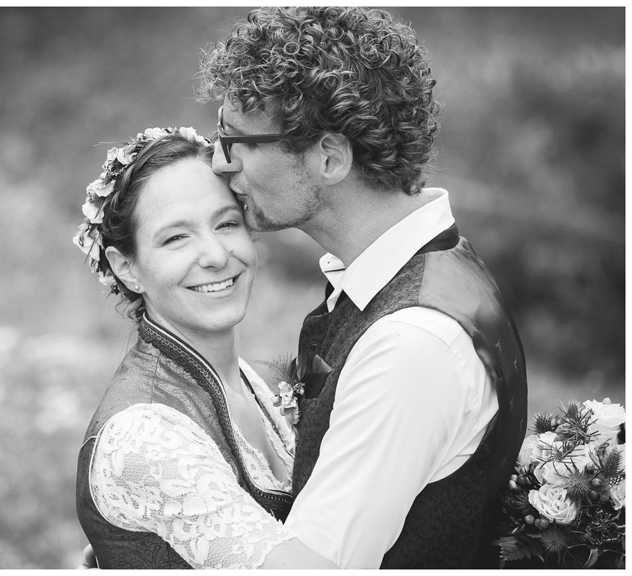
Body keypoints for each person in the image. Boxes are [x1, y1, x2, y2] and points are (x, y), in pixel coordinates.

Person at [191, 6, 529, 568]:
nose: (220, 163)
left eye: (236, 141)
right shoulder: (432, 270)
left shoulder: (411, 345)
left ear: (328, 156)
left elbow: (313, 564)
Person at [73, 127, 335, 569]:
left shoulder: (255, 380)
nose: (215, 254)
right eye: (176, 237)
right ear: (126, 268)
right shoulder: (144, 435)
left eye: (227, 223)